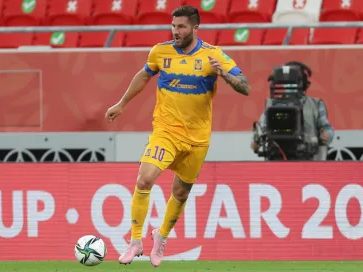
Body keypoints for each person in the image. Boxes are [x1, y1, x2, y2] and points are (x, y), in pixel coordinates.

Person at [105, 6, 251, 267]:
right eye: (173, 26)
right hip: (166, 131)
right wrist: (122, 103)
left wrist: (224, 74)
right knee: (144, 179)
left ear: (195, 28)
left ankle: (161, 236)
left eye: (181, 27)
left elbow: (246, 87)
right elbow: (144, 75)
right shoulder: (160, 52)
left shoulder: (212, 55)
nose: (176, 32)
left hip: (197, 138)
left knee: (181, 193)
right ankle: (135, 241)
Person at [251, 61, 334, 160]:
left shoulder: (316, 104)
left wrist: (327, 135)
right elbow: (257, 139)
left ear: (303, 82)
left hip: (308, 160)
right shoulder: (271, 105)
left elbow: (327, 128)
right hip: (276, 157)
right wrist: (256, 140)